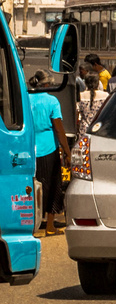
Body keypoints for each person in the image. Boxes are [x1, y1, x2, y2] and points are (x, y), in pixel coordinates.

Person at [28, 72, 67, 237]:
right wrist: (68, 151)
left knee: (32, 187)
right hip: (49, 149)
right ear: (46, 85)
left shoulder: (26, 99)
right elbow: (58, 128)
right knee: (53, 186)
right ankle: (50, 226)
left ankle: (31, 225)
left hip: (29, 149)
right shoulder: (52, 101)